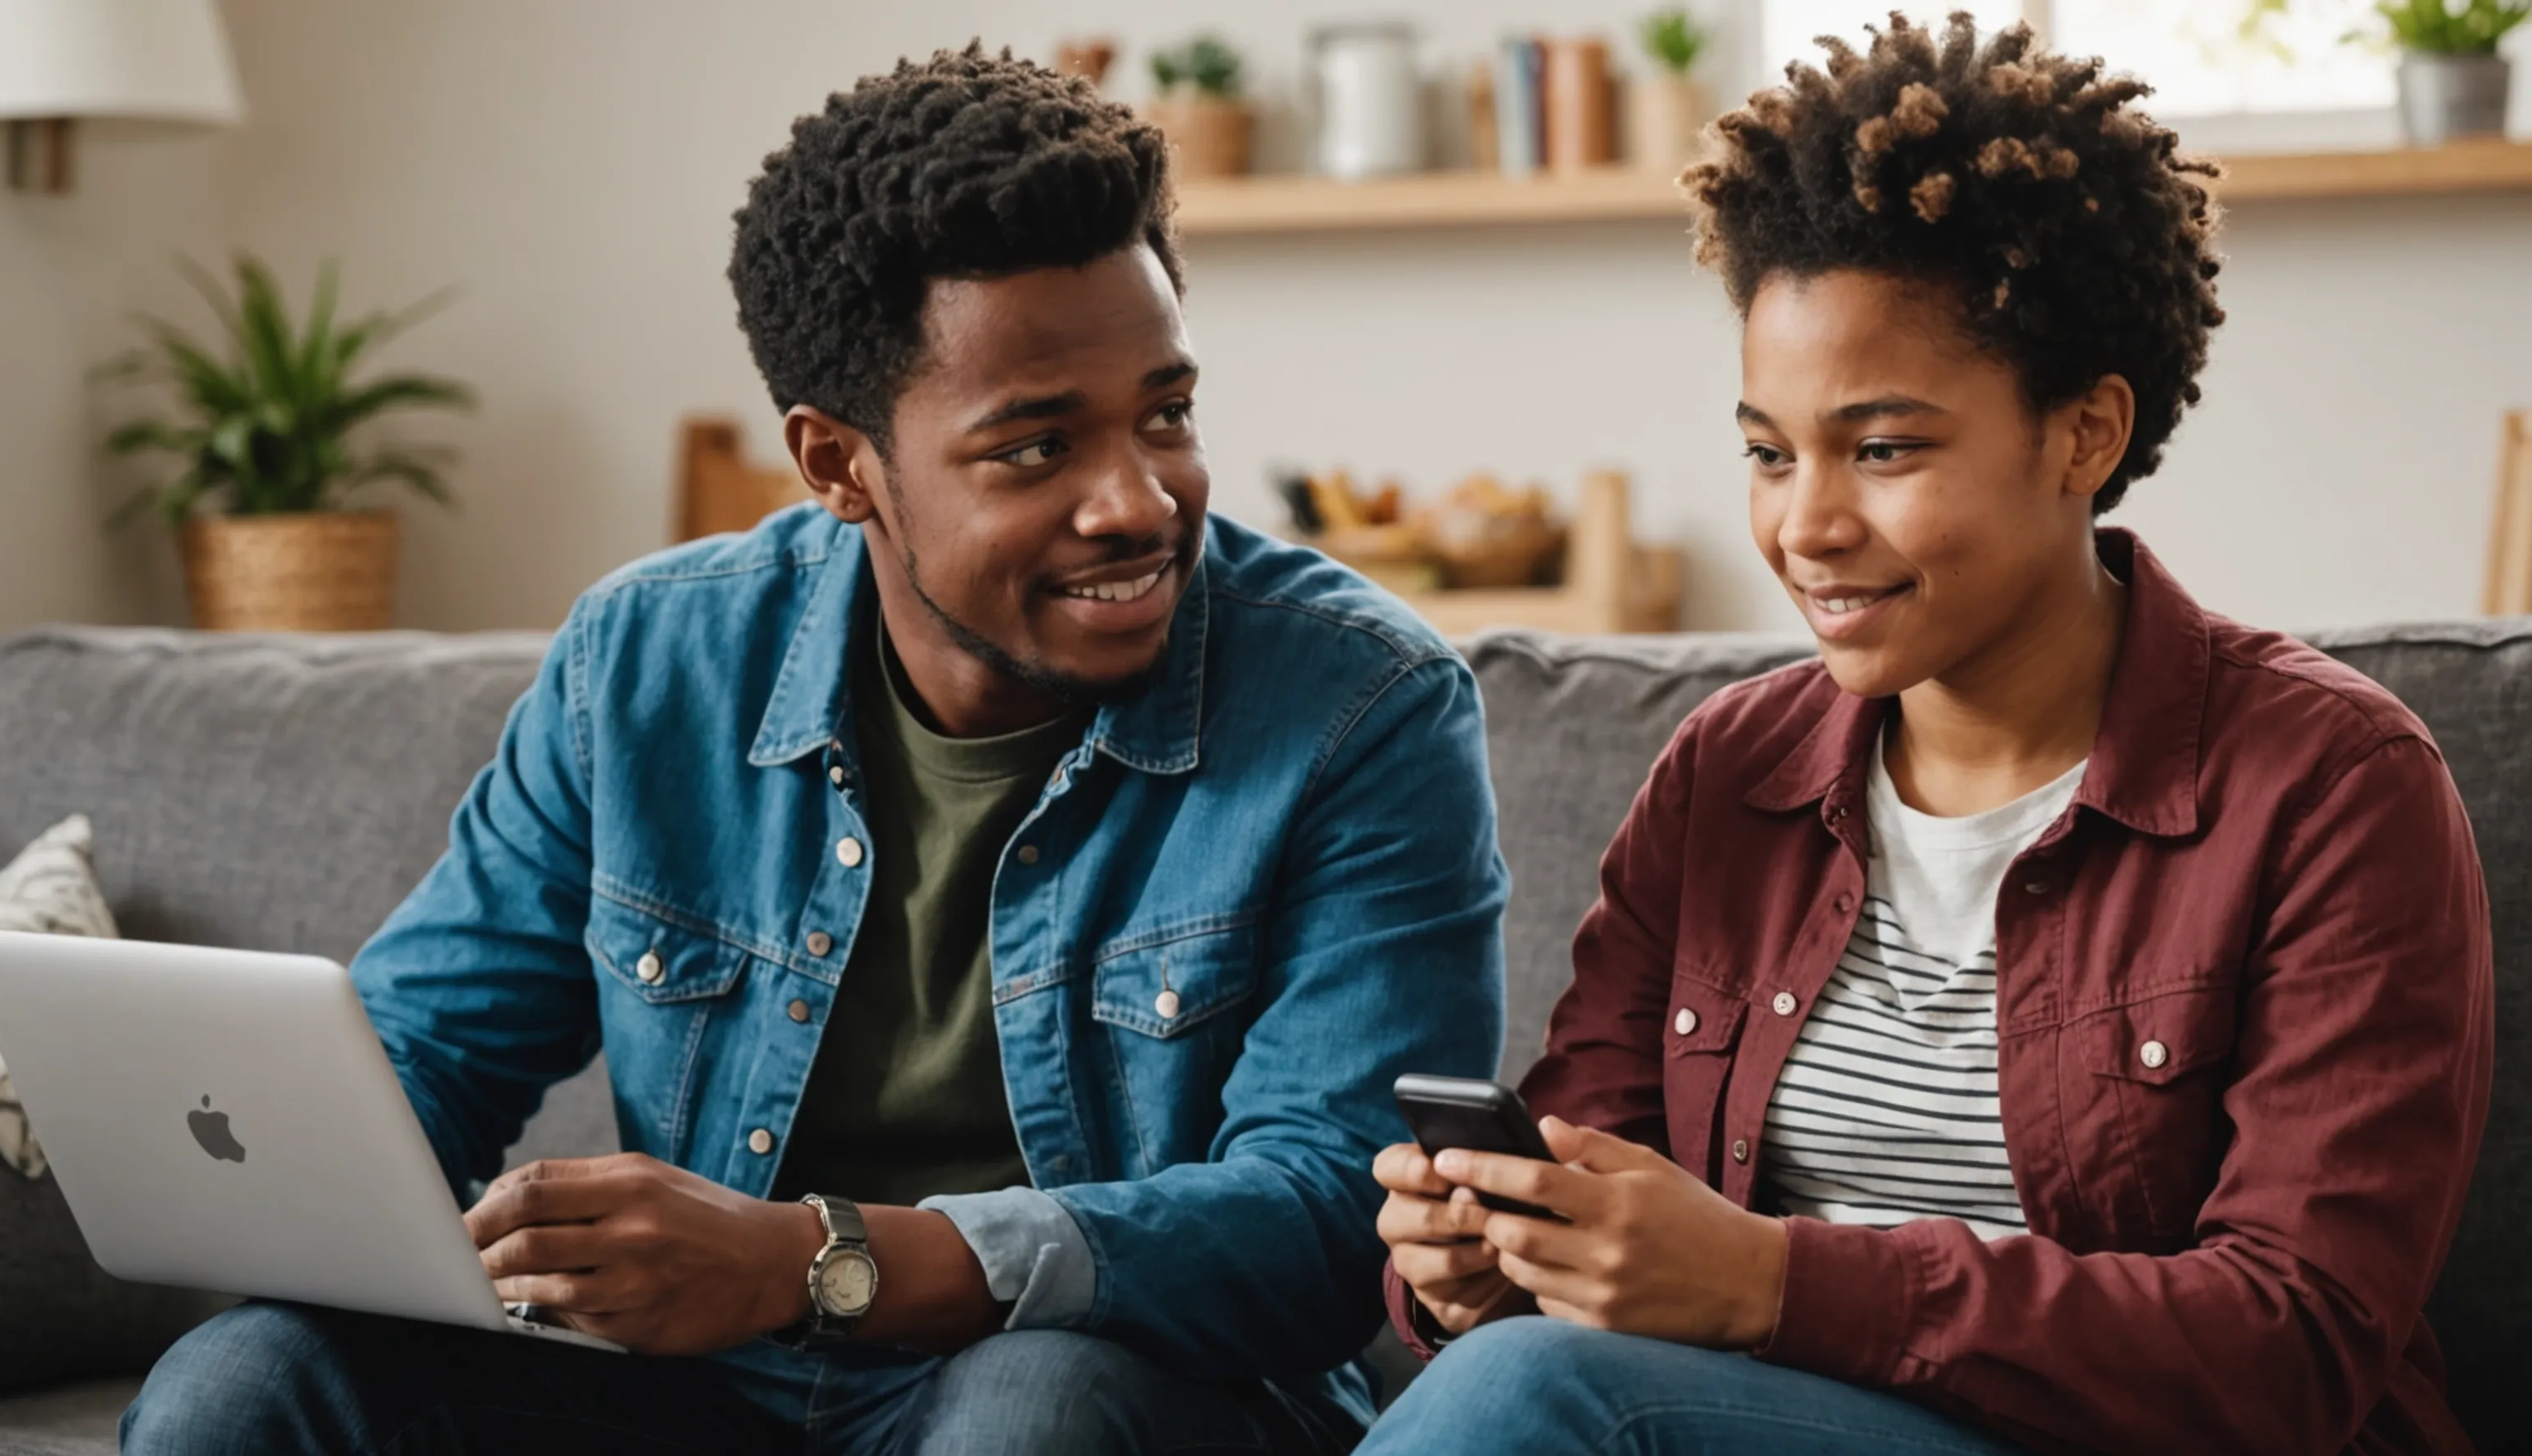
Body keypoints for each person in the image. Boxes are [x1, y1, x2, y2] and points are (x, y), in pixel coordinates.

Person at [124, 47, 1509, 1456]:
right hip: (696, 1386)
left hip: (1106, 1382)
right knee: (249, 1380)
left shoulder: (1360, 705)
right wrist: (347, 1188)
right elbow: (425, 1050)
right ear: (840, 464)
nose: (1139, 501)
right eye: (1036, 447)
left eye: (1166, 412)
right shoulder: (648, 664)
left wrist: (812, 1256)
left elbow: (1331, 1211)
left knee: (1031, 1410)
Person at [1368, 16, 2491, 1456]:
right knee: (1507, 1372)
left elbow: (2295, 1347)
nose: (1806, 525)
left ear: (2084, 433)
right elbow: (1593, 1156)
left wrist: (1774, 1283)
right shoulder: (1727, 778)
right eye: (1770, 452)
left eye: (1883, 448)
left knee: (1535, 1400)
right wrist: (1475, 1261)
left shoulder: (2334, 787)